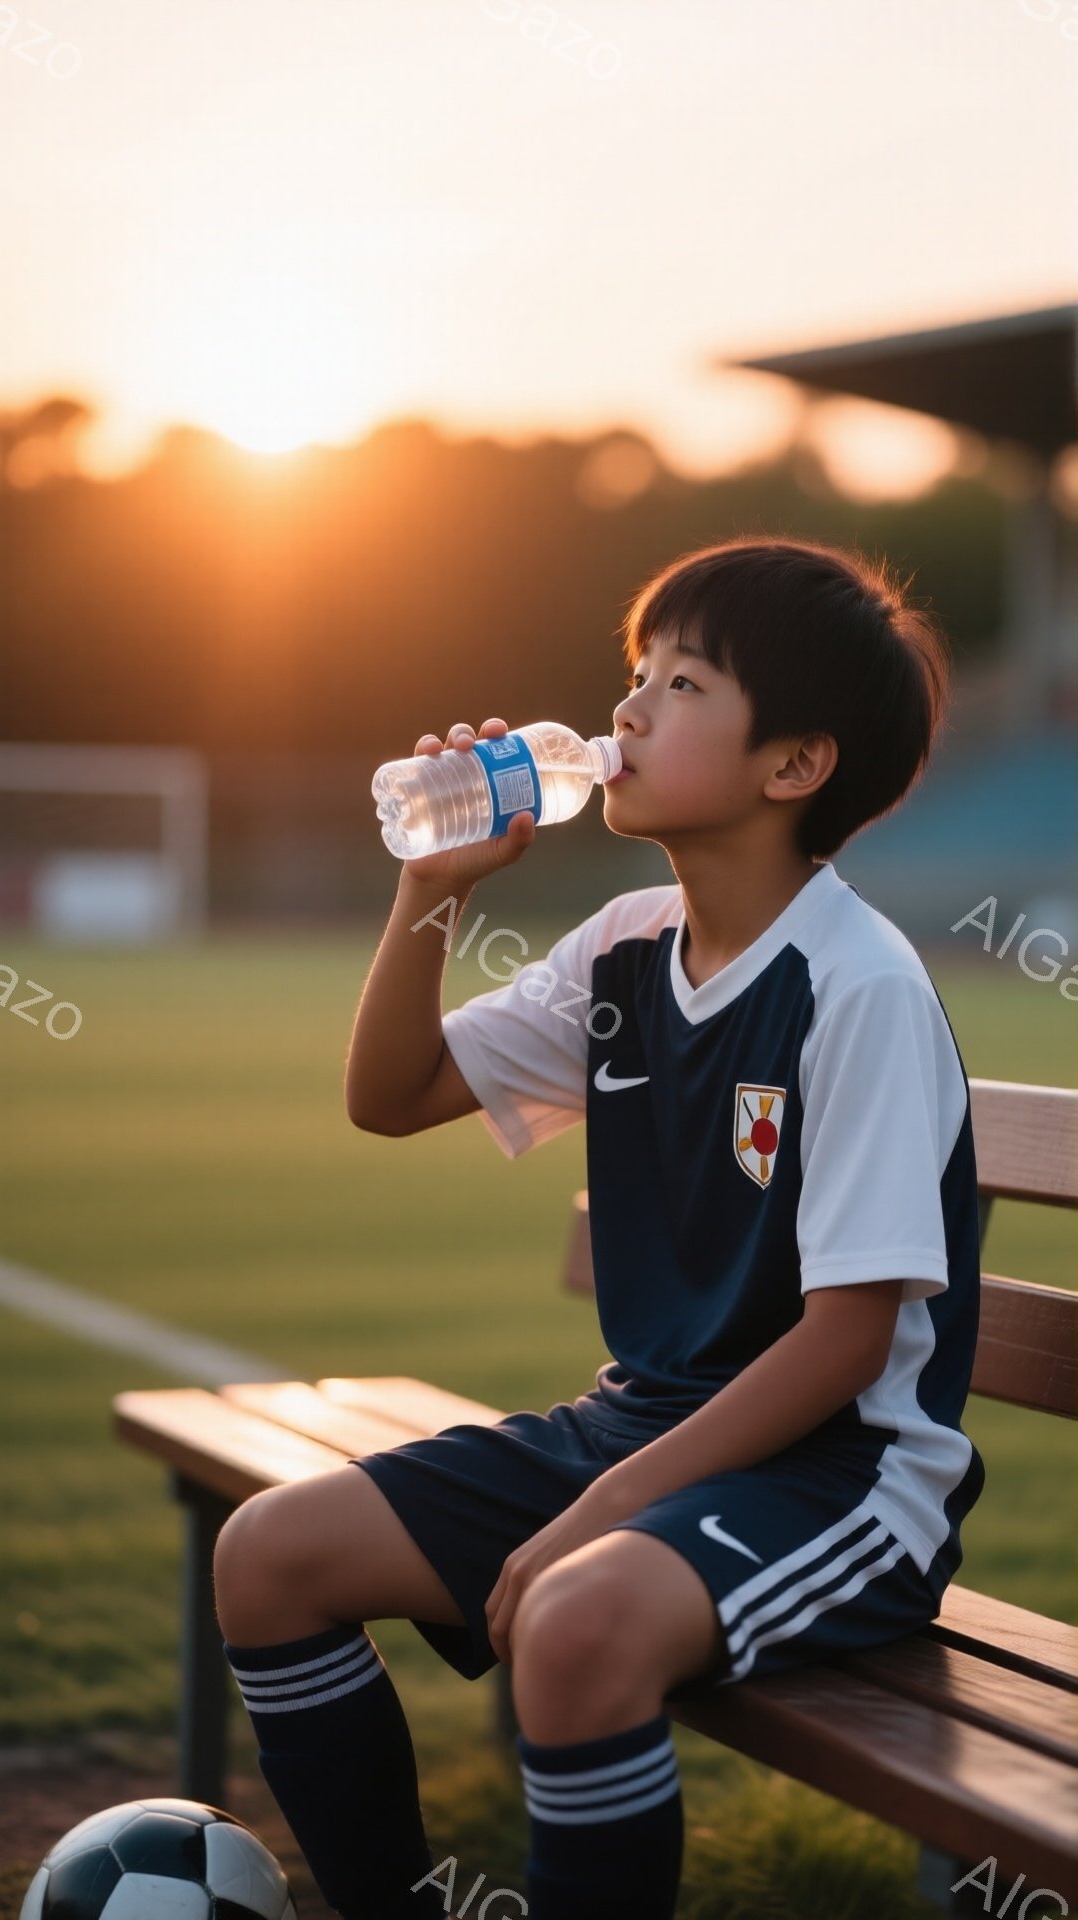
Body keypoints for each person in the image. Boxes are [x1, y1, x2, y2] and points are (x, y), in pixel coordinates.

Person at [213, 535, 986, 1920]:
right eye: (635, 673)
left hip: (841, 1478)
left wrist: (602, 1510)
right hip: (644, 1427)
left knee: (572, 1629)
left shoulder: (855, 983)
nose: (625, 710)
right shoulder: (626, 943)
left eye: (682, 683)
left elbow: (847, 1339)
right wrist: (432, 886)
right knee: (269, 1557)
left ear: (793, 766)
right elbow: (390, 1098)